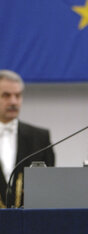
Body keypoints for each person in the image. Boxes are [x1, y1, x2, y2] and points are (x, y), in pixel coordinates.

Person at [0, 70, 55, 208]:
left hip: (28, 224)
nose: (13, 101)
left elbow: (49, 188)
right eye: (6, 95)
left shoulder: (40, 138)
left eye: (17, 96)